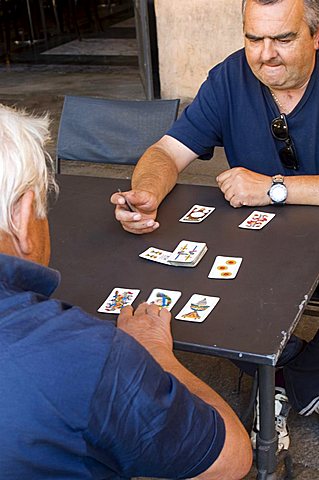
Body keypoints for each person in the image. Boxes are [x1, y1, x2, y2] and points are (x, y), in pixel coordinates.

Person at [0, 104, 252, 479]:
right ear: (23, 216)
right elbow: (231, 458)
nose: (266, 53)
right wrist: (151, 351)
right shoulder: (82, 354)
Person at [111, 0, 319, 452]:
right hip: (263, 242)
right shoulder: (230, 76)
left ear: (315, 36)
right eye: (253, 38)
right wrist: (146, 192)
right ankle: (294, 373)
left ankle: (293, 380)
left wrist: (275, 188)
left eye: (283, 39)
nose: (266, 54)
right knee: (206, 287)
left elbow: (273, 189)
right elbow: (167, 152)